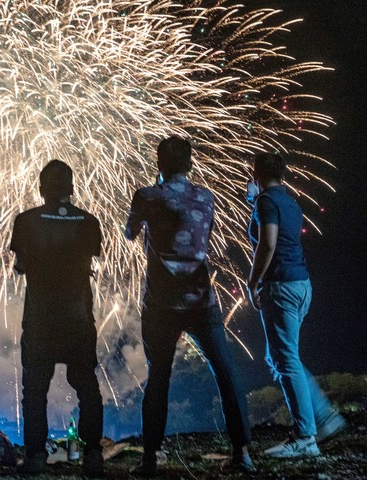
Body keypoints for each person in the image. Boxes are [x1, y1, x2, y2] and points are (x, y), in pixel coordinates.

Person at [125, 136, 254, 476]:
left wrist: (154, 195)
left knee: (159, 378)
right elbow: (203, 235)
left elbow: (129, 233)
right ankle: (243, 452)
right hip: (202, 300)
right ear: (190, 165)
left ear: (159, 165)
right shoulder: (206, 197)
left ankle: (150, 458)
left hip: (162, 304)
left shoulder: (147, 196)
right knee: (225, 371)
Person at [246, 152, 347, 458]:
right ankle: (323, 418)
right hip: (302, 285)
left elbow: (268, 243)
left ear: (256, 173)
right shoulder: (289, 202)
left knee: (285, 360)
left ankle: (306, 436)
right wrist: (256, 201)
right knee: (281, 356)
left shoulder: (267, 202)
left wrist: (252, 282)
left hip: (281, 286)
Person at [10, 160, 105, 476]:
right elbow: (90, 257)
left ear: (41, 188)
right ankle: (93, 456)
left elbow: (20, 266)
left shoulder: (25, 221)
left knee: (34, 389)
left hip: (40, 318)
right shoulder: (89, 222)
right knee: (87, 386)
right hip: (78, 317)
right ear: (72, 187)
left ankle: (36, 456)